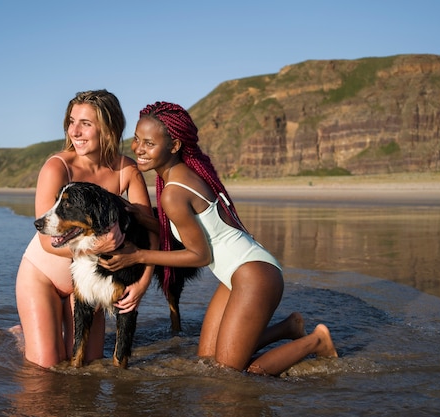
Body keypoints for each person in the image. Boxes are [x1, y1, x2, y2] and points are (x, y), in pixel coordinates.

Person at [99, 101, 338, 376]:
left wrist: (138, 255)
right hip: (238, 273)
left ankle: (316, 341)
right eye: (137, 140)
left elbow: (200, 255)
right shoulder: (178, 177)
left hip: (255, 275)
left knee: (231, 374)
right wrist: (144, 220)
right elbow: (196, 231)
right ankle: (289, 328)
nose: (139, 149)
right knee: (208, 361)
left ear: (174, 146)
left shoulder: (173, 192)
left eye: (149, 143)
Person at [14, 90, 157, 368]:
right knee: (46, 368)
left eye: (86, 124)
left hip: (91, 284)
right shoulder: (58, 167)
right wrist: (99, 246)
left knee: (90, 365)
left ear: (108, 128)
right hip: (43, 277)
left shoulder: (125, 170)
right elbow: (47, 241)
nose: (75, 131)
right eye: (71, 121)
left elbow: (152, 231)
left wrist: (142, 283)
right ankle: (21, 337)